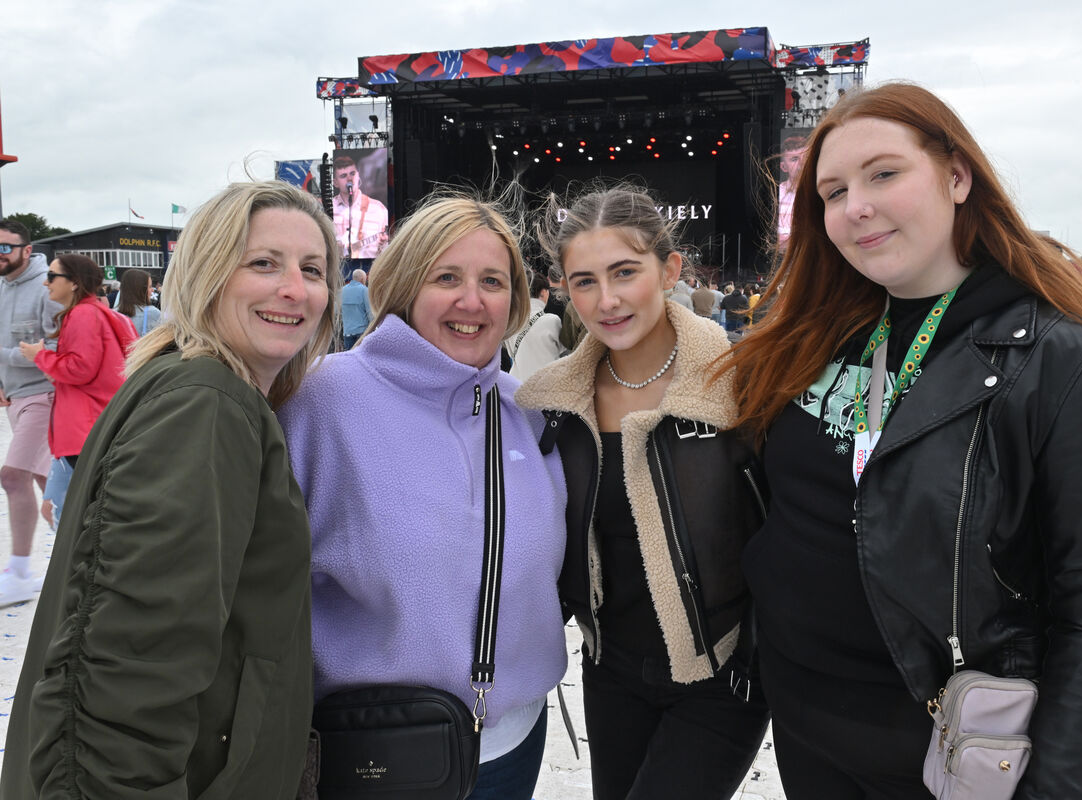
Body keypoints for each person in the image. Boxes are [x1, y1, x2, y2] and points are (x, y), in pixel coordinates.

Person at [718, 82, 1082, 798]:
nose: (855, 206)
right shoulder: (809, 338)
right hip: (803, 723)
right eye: (831, 192)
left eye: (883, 174)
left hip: (944, 746)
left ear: (956, 175)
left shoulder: (1061, 360)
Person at [1, 181, 341, 798]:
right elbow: (131, 668)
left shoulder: (189, 381)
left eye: (312, 269)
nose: (295, 288)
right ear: (208, 270)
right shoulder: (205, 405)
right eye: (263, 263)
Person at [279, 193, 568, 800]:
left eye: (493, 280)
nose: (472, 300)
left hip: (513, 741)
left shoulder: (528, 411)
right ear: (407, 286)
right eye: (447, 277)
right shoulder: (321, 400)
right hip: (378, 749)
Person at [517, 186, 770, 800]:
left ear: (670, 269)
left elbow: (786, 527)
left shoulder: (739, 385)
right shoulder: (552, 403)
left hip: (721, 676)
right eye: (584, 281)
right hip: (611, 674)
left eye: (624, 272)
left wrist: (758, 658)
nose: (606, 300)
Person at [19, 255, 136, 529]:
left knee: (68, 517)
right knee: (57, 511)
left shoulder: (83, 314)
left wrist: (40, 356)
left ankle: (75, 571)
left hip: (84, 430)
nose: (45, 283)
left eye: (51, 276)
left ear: (73, 283)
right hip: (89, 426)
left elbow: (80, 368)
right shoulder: (95, 312)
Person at [0, 219, 59, 606]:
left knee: (12, 475)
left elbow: (53, 350)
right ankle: (75, 560)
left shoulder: (47, 288)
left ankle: (20, 570)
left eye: (6, 248)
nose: (0, 255)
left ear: (26, 248)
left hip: (46, 395)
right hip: (16, 399)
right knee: (49, 487)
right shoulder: (1, 287)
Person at [506, 272, 565, 380]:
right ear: (543, 292)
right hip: (546, 385)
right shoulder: (552, 321)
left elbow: (511, 354)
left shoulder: (511, 323)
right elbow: (564, 348)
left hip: (517, 385)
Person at [332, 154, 389, 258]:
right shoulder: (329, 208)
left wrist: (383, 244)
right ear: (335, 183)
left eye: (352, 173)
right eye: (343, 176)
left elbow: (387, 248)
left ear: (358, 176)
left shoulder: (378, 209)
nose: (349, 179)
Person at [777, 134, 808, 246]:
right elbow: (776, 242)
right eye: (795, 159)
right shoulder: (777, 194)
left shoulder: (822, 192)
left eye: (806, 158)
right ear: (784, 167)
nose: (802, 164)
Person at [116, 267, 162, 335]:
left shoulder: (113, 314)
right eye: (149, 287)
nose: (152, 290)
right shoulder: (153, 313)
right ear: (141, 290)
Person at [341, 267, 370, 349]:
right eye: (365, 279)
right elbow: (370, 312)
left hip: (347, 332)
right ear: (361, 279)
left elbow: (337, 311)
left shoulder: (342, 291)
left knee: (350, 359)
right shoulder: (364, 290)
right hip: (362, 333)